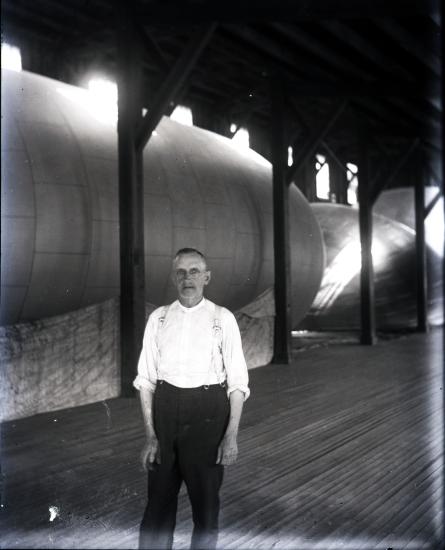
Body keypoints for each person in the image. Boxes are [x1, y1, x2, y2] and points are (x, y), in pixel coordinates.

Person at [133, 247, 250, 550]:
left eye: (195, 271)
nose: (188, 278)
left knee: (206, 509)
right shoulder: (158, 319)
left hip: (207, 417)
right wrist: (150, 436)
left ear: (207, 277)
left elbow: (237, 383)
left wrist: (231, 437)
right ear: (174, 278)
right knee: (157, 508)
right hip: (166, 413)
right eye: (181, 272)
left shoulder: (222, 319)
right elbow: (145, 381)